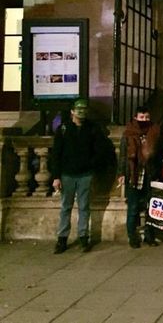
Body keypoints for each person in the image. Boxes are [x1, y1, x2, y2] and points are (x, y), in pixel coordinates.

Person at [51, 98, 108, 254]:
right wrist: (56, 176)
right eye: (78, 109)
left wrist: (91, 164)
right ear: (72, 111)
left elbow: (100, 149)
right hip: (67, 174)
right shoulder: (63, 129)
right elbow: (56, 154)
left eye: (84, 109)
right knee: (66, 207)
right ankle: (62, 238)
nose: (81, 112)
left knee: (84, 206)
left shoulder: (92, 128)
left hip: (85, 174)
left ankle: (83, 236)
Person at [117, 106, 163, 248]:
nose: (145, 120)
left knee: (151, 208)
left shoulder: (155, 131)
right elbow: (123, 156)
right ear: (136, 118)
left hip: (150, 174)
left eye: (147, 117)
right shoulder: (128, 134)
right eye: (142, 117)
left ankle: (149, 236)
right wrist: (121, 174)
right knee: (133, 208)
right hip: (134, 175)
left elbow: (161, 152)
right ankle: (133, 236)